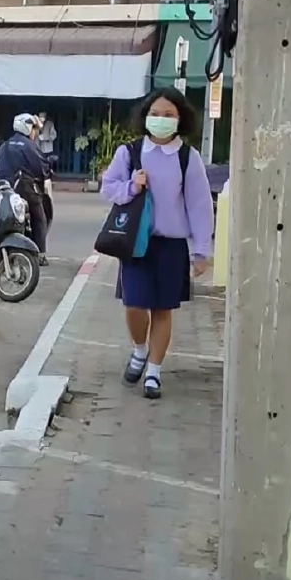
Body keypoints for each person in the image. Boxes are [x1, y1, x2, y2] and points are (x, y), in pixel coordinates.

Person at [99, 87, 214, 400]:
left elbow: (200, 205)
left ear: (180, 119)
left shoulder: (187, 158)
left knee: (163, 309)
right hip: (136, 243)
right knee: (134, 304)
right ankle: (139, 350)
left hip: (171, 246)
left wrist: (202, 251)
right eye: (155, 114)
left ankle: (154, 371)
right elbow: (108, 189)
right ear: (145, 116)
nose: (161, 120)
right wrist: (132, 186)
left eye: (169, 115)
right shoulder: (130, 153)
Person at [0, 113, 51, 265]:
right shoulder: (28, 146)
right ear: (27, 128)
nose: (35, 132)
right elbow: (39, 167)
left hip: (4, 189)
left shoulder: (5, 145)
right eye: (34, 128)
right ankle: (40, 254)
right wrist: (46, 172)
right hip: (24, 188)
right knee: (39, 217)